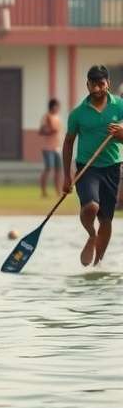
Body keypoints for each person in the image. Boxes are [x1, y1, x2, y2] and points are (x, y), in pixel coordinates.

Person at [63, 65, 123, 266]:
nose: (97, 88)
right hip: (87, 168)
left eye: (101, 84)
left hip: (112, 168)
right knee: (90, 207)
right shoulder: (78, 114)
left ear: (108, 84)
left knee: (106, 219)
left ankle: (98, 263)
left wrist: (121, 135)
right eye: (92, 84)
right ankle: (90, 234)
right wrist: (66, 176)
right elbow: (68, 142)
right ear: (87, 85)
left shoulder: (120, 107)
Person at [38, 99, 62, 198]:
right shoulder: (47, 117)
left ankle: (58, 191)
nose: (58, 108)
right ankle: (43, 192)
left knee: (58, 170)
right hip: (48, 148)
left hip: (57, 148)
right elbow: (41, 131)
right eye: (56, 106)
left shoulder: (57, 117)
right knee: (48, 169)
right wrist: (51, 131)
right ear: (52, 106)